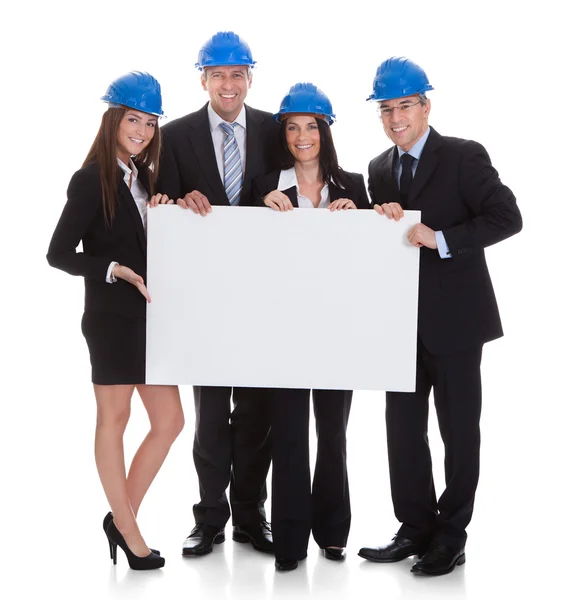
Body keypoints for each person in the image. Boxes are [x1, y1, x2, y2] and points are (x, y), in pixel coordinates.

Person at [358, 57, 522, 575]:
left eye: (405, 105)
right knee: (402, 432)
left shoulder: (462, 157)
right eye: (386, 109)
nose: (395, 117)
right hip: (399, 324)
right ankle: (415, 527)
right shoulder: (379, 169)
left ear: (426, 106)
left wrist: (443, 239)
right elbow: (380, 243)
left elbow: (507, 216)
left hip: (455, 323)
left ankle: (451, 535)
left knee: (457, 431)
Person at [46, 71, 184, 571]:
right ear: (113, 120)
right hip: (110, 318)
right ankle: (129, 531)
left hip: (150, 319)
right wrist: (111, 269)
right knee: (116, 419)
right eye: (133, 119)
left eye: (150, 123)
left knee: (170, 421)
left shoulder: (146, 179)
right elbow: (58, 253)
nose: (142, 130)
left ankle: (120, 519)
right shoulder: (90, 180)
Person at [156, 31, 280, 557]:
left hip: (263, 291)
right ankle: (209, 518)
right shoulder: (177, 135)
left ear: (250, 77)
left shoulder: (277, 130)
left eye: (237, 74)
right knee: (209, 415)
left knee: (257, 411)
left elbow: (312, 174)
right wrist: (177, 199)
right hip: (205, 296)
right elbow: (159, 204)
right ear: (202, 79)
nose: (228, 85)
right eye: (217, 75)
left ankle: (252, 515)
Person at [252, 82, 370, 571]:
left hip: (337, 330)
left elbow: (374, 253)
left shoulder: (355, 185)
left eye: (312, 127)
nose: (303, 136)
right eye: (293, 127)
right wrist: (262, 206)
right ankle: (290, 542)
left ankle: (333, 532)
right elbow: (243, 251)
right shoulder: (264, 184)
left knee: (333, 432)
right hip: (283, 330)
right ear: (284, 134)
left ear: (326, 131)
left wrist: (359, 215)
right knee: (290, 433)